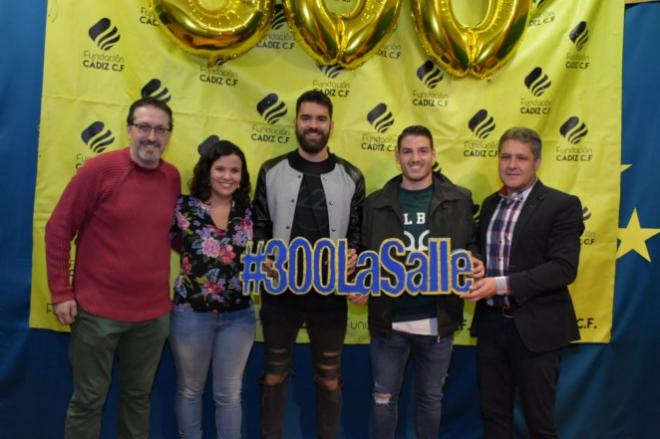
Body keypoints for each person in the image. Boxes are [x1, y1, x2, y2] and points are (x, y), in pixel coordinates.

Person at [45, 96, 181, 439]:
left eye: (160, 129)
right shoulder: (99, 170)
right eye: (144, 127)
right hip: (96, 314)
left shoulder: (172, 178)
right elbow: (59, 228)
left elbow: (172, 235)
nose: (151, 136)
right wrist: (61, 293)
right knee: (89, 400)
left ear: (168, 135)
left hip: (152, 318)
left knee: (138, 399)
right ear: (129, 129)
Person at [357, 125, 484, 439]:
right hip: (389, 322)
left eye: (422, 151)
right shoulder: (374, 203)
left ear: (434, 154)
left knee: (430, 399)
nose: (416, 158)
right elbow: (361, 253)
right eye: (408, 151)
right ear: (397, 156)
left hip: (437, 322)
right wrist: (357, 280)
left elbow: (470, 246)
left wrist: (475, 261)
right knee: (383, 398)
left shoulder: (459, 199)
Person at [253, 89, 365, 439]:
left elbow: (358, 232)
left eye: (320, 119)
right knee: (273, 375)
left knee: (330, 379)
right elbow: (258, 225)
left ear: (331, 124)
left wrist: (355, 255)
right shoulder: (271, 171)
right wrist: (264, 256)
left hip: (330, 295)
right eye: (306, 118)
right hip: (280, 293)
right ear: (296, 122)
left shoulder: (352, 175)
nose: (312, 125)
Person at [462, 127, 584, 438]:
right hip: (491, 327)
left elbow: (563, 268)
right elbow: (477, 244)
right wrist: (475, 260)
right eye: (505, 157)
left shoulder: (562, 204)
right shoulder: (490, 203)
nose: (511, 165)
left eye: (521, 158)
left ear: (537, 163)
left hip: (537, 329)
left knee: (539, 421)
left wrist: (498, 285)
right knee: (494, 415)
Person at [169, 139, 256, 439]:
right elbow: (168, 244)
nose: (227, 176)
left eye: (235, 170)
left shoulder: (250, 213)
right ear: (207, 170)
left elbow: (264, 255)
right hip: (191, 315)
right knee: (190, 390)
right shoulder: (183, 208)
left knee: (229, 395)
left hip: (240, 317)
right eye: (220, 168)